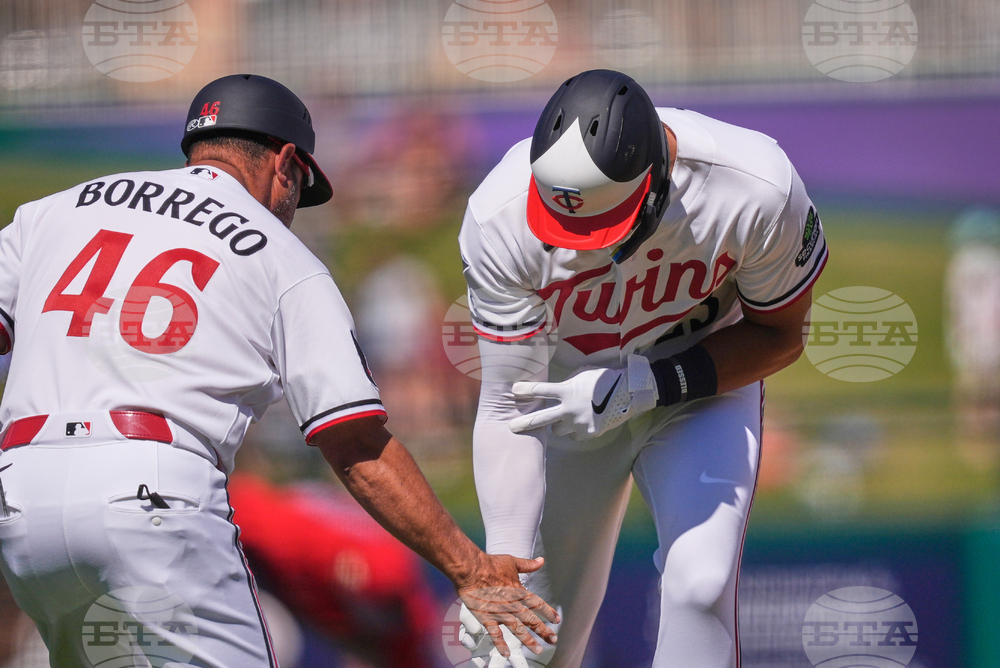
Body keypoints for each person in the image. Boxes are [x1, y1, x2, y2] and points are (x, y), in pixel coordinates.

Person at [0, 74, 557, 667]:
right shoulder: (282, 254)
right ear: (286, 163)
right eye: (301, 188)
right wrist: (469, 570)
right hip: (153, 491)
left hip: (22, 499)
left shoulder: (52, 212)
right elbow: (356, 443)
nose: (293, 208)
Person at [457, 70, 827, 667]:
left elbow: (780, 336)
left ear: (656, 185)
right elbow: (508, 403)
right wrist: (499, 565)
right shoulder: (498, 215)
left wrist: (649, 384)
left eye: (596, 228)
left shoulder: (756, 186)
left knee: (700, 585)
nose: (576, 246)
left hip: (700, 386)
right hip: (559, 398)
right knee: (528, 647)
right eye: (565, 227)